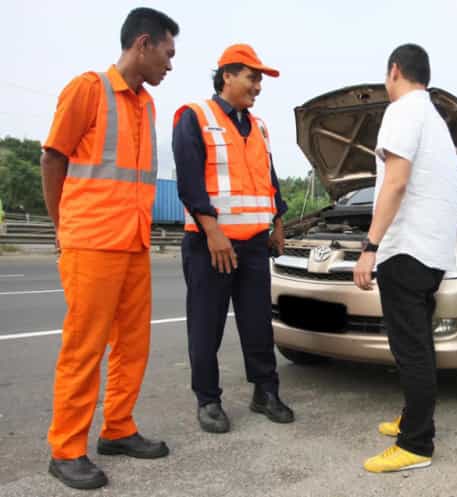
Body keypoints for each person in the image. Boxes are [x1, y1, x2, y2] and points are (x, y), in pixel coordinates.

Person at [39, 7, 178, 490]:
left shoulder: (146, 104)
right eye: (168, 52)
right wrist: (64, 227)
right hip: (92, 241)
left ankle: (117, 429)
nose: (170, 64)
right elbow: (53, 157)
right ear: (143, 44)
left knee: (132, 345)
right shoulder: (88, 88)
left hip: (133, 241)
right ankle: (66, 449)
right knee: (84, 348)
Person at [172, 43, 294, 435]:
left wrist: (277, 224)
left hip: (255, 244)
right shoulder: (195, 117)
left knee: (258, 323)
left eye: (260, 79)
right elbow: (190, 182)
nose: (258, 86)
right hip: (211, 245)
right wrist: (212, 232)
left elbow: (268, 181)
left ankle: (265, 392)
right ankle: (208, 400)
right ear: (228, 75)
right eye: (252, 77)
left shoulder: (258, 127)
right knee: (206, 326)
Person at [354, 44, 457, 473]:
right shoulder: (434, 120)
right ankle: (413, 417)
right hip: (433, 252)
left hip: (406, 250)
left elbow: (395, 183)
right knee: (419, 344)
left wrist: (370, 246)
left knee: (410, 348)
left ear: (394, 71)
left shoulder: (401, 111)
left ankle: (416, 443)